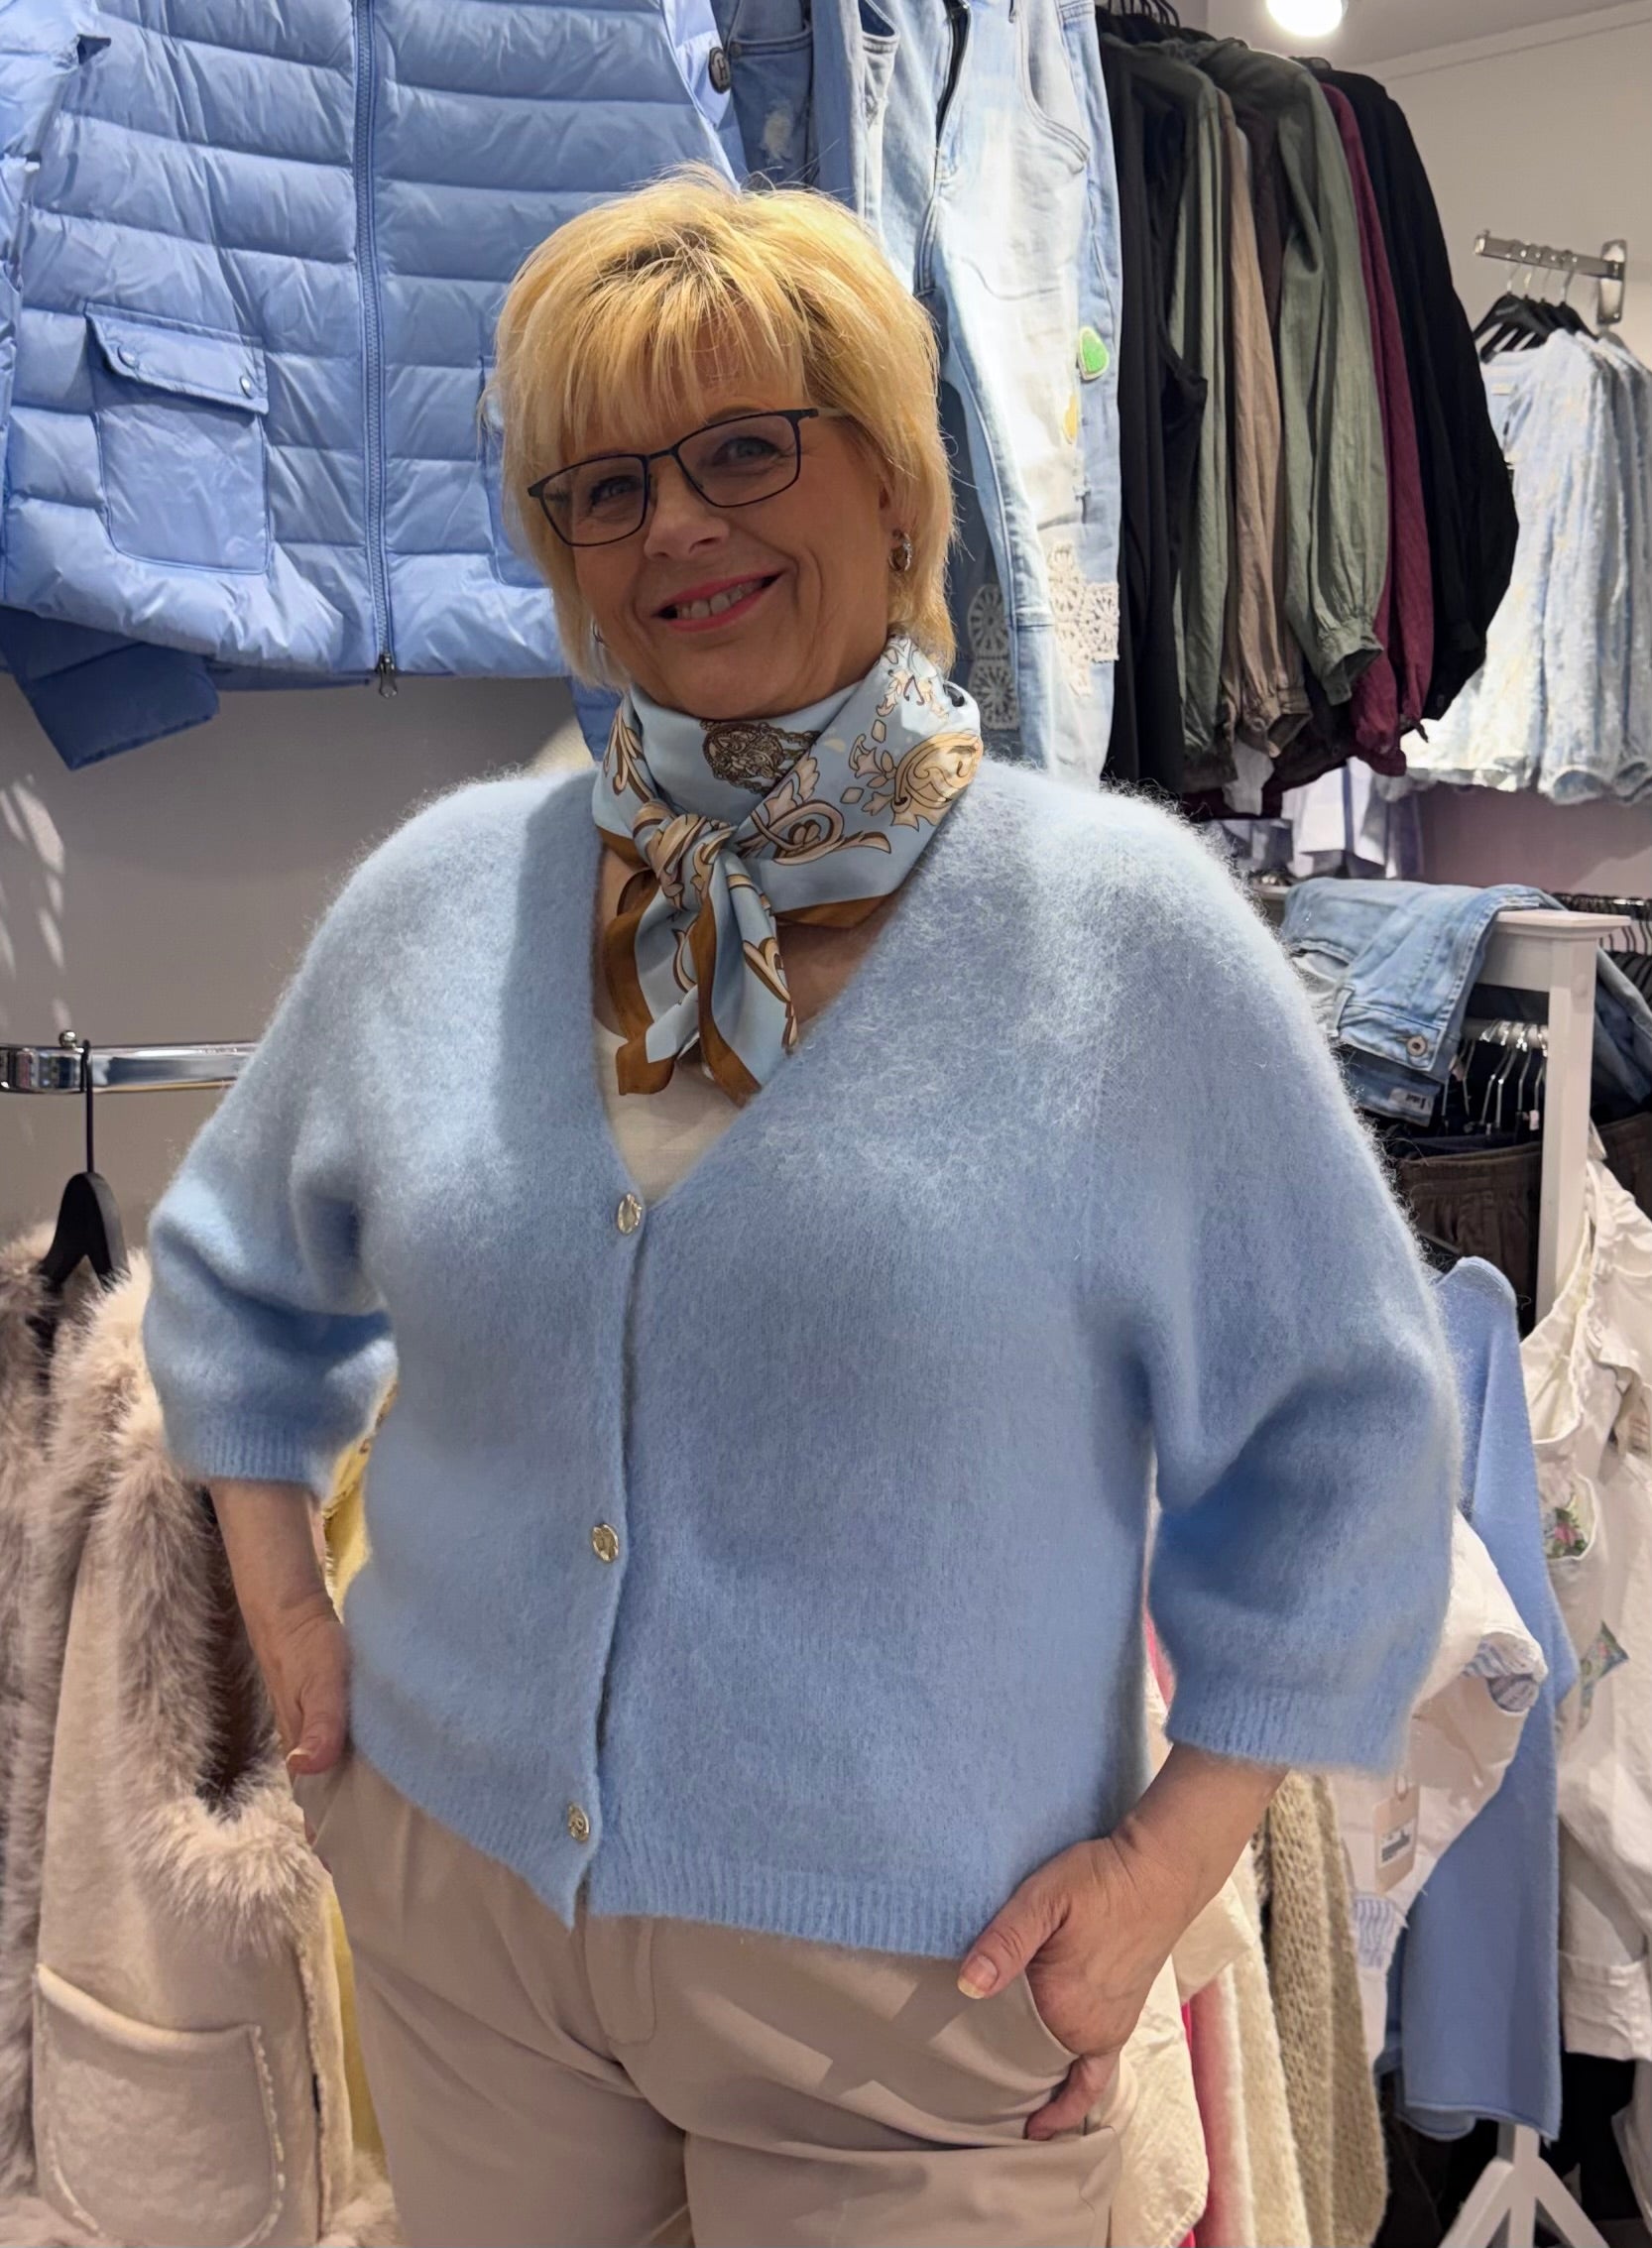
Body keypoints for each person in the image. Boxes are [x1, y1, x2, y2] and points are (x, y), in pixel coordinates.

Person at [142, 167, 1459, 2248]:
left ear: (897, 483)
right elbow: (230, 1280)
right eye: (602, 486)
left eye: (746, 448)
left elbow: (1346, 1433)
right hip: (463, 1909)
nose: (674, 524)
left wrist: (1170, 1863)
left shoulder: (1117, 935)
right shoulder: (441, 897)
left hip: (912, 1977)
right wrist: (290, 1623)